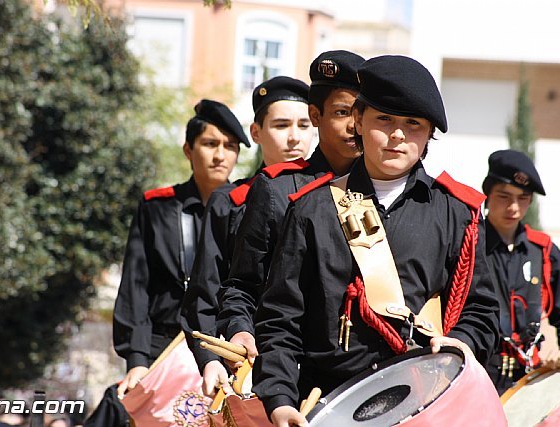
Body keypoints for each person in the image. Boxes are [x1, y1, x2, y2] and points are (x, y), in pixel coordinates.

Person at [252, 55, 500, 426]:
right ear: (359, 120)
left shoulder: (456, 213)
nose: (398, 135)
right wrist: (280, 399)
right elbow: (281, 318)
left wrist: (460, 341)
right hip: (325, 403)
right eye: (384, 119)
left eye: (413, 124)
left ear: (429, 133)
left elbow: (481, 310)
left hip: (423, 404)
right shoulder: (311, 208)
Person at [215, 50, 366, 368]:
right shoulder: (277, 188)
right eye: (341, 113)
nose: (354, 126)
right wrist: (239, 330)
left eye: (361, 113)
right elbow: (242, 283)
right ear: (317, 115)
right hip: (295, 367)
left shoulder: (385, 188)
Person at [180, 76, 314, 396]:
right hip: (246, 360)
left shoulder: (333, 195)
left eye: (304, 125)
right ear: (256, 133)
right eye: (281, 125)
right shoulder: (231, 200)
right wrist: (210, 358)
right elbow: (206, 290)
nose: (294, 138)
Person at [111, 99, 249, 400]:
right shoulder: (157, 207)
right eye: (210, 144)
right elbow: (136, 287)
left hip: (225, 349)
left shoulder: (249, 207)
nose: (220, 155)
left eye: (230, 146)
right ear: (188, 150)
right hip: (163, 347)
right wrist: (136, 359)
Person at [481, 149, 560, 394]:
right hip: (479, 376)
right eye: (504, 196)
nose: (513, 207)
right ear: (487, 194)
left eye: (523, 198)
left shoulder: (543, 249)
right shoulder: (469, 242)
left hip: (530, 379)